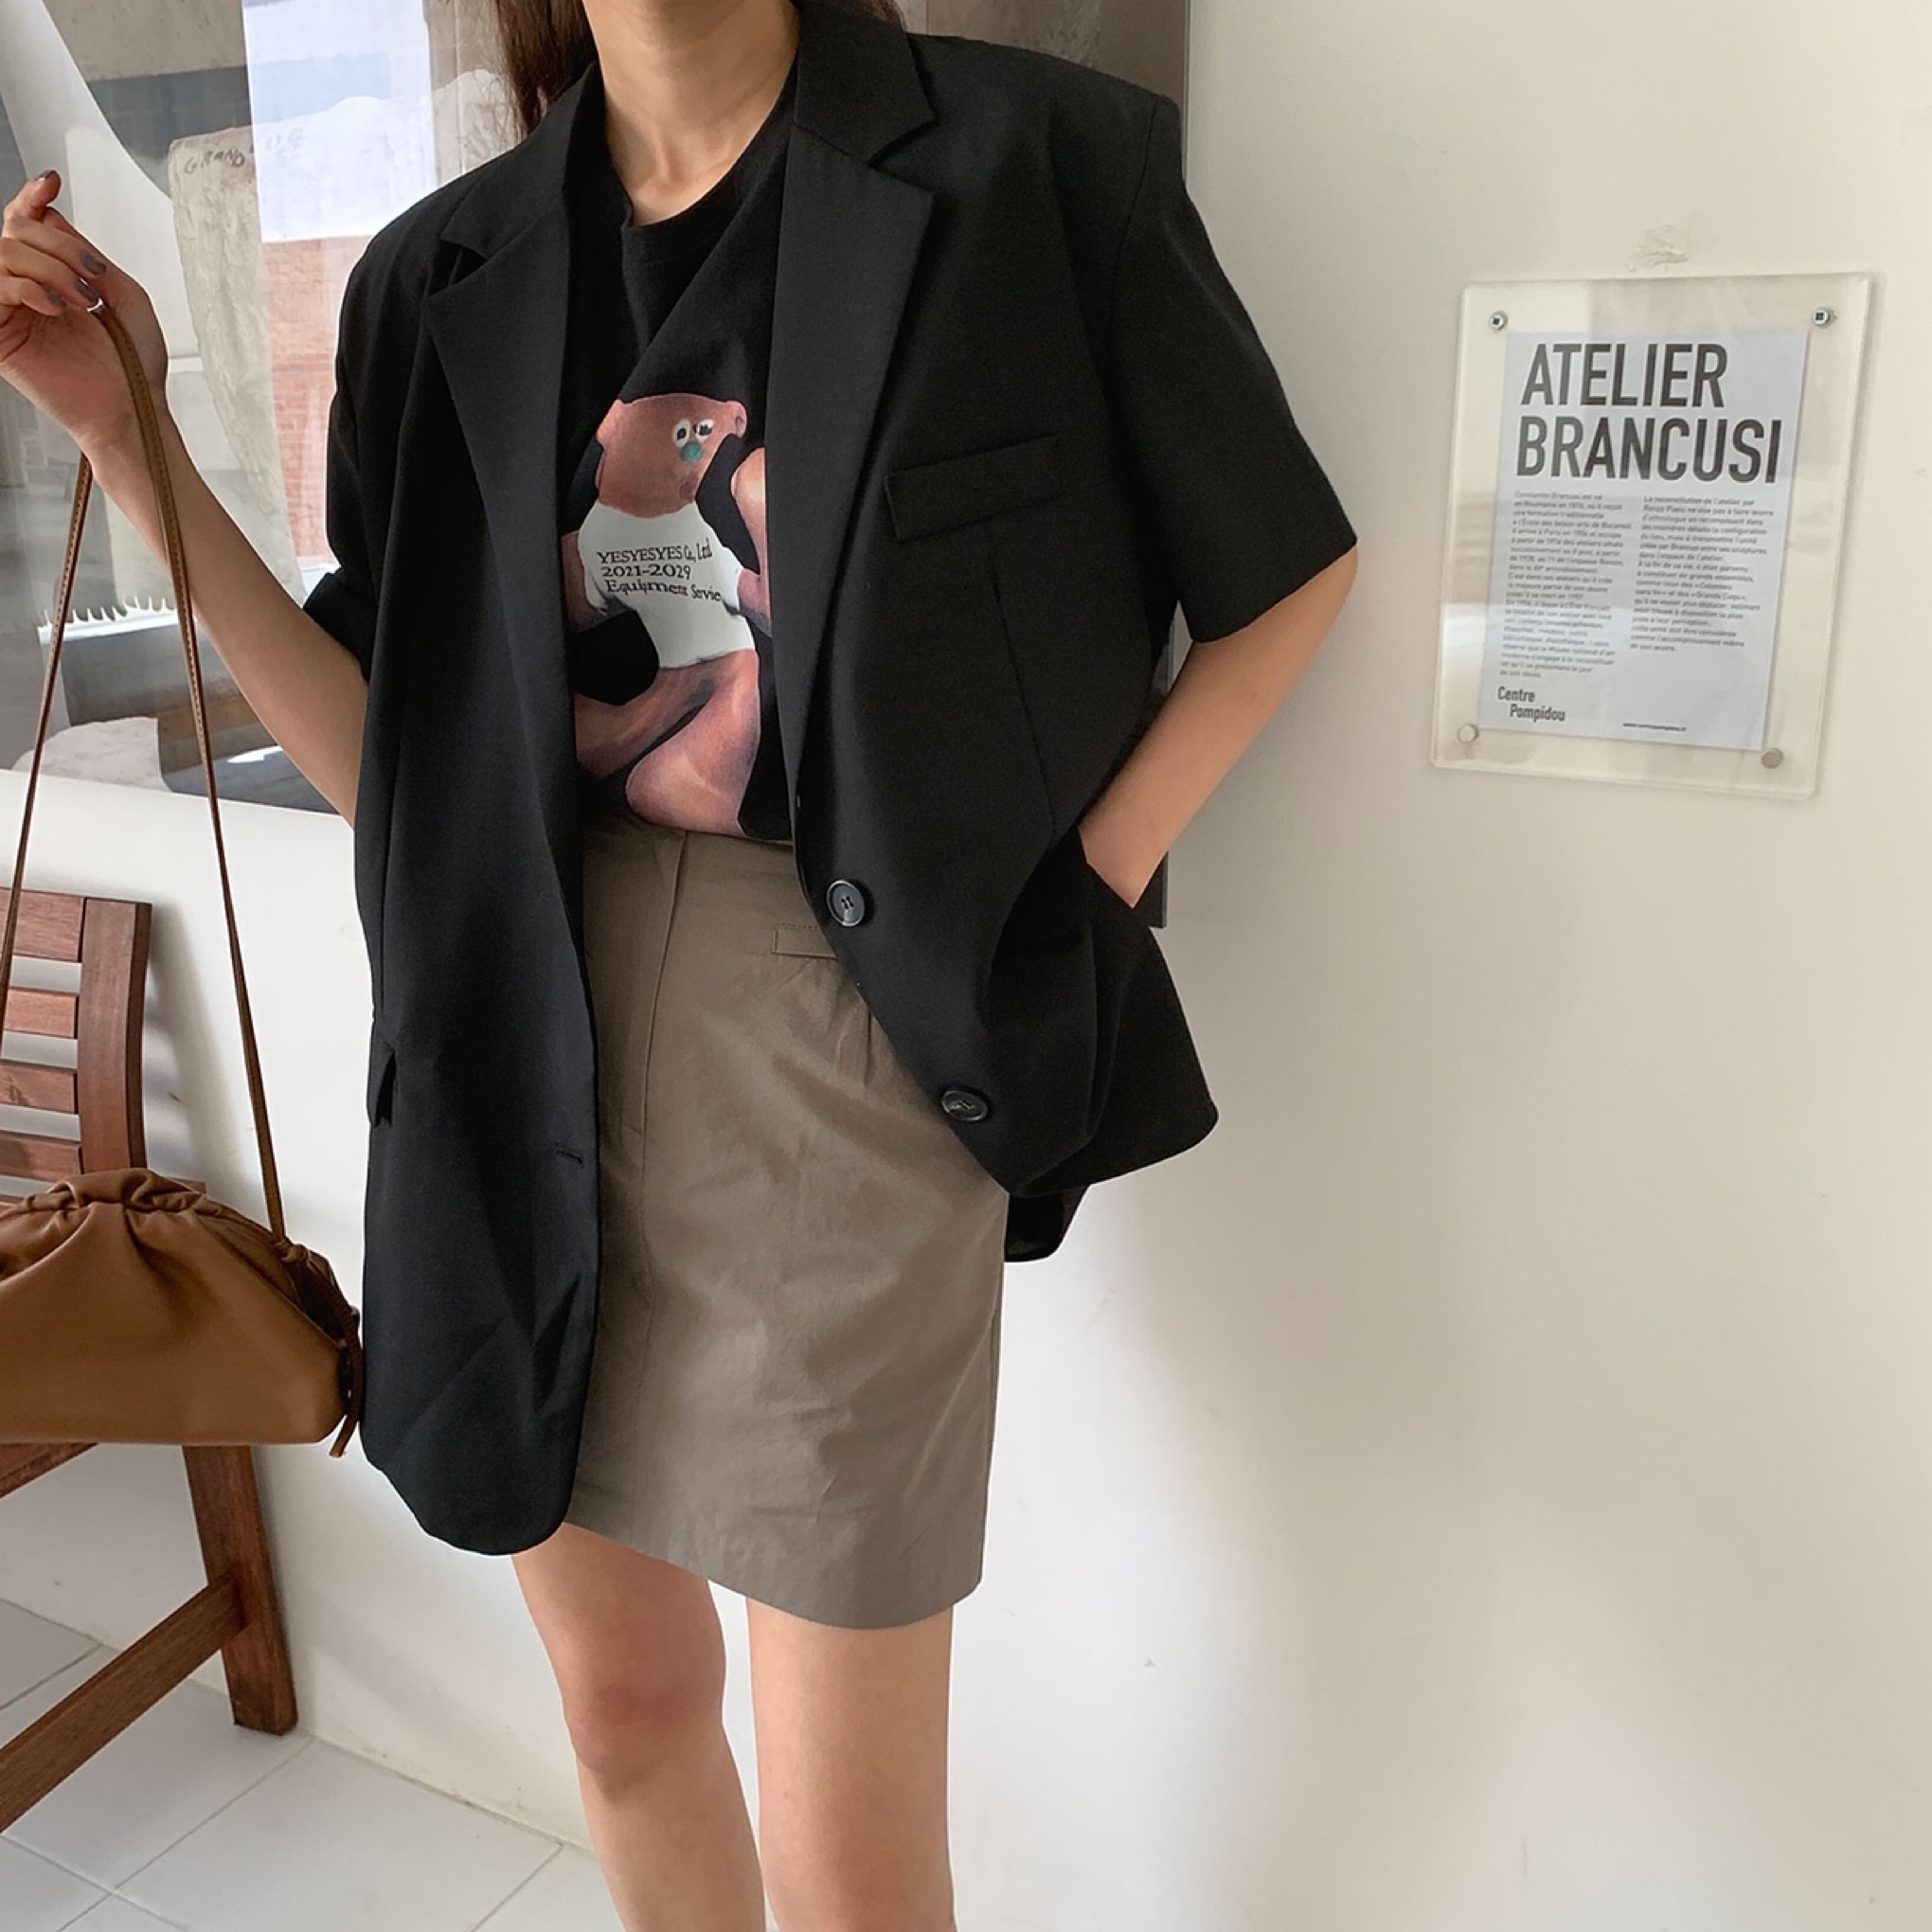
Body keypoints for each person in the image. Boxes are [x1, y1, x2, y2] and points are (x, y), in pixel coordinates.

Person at [0, 0, 1357, 1923]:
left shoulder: (1039, 171)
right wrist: (126, 435)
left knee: (850, 1860)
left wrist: (1076, 892)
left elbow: (1283, 572)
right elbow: (399, 765)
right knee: (625, 1714)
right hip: (509, 1023)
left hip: (847, 1046)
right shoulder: (438, 277)